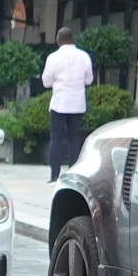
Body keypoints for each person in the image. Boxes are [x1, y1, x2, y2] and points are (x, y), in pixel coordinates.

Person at [41, 27, 95, 180]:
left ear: (58, 40)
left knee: (56, 138)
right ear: (73, 39)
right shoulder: (84, 56)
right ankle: (73, 172)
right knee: (74, 138)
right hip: (77, 102)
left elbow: (46, 82)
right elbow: (89, 80)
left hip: (59, 101)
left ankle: (54, 174)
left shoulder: (53, 57)